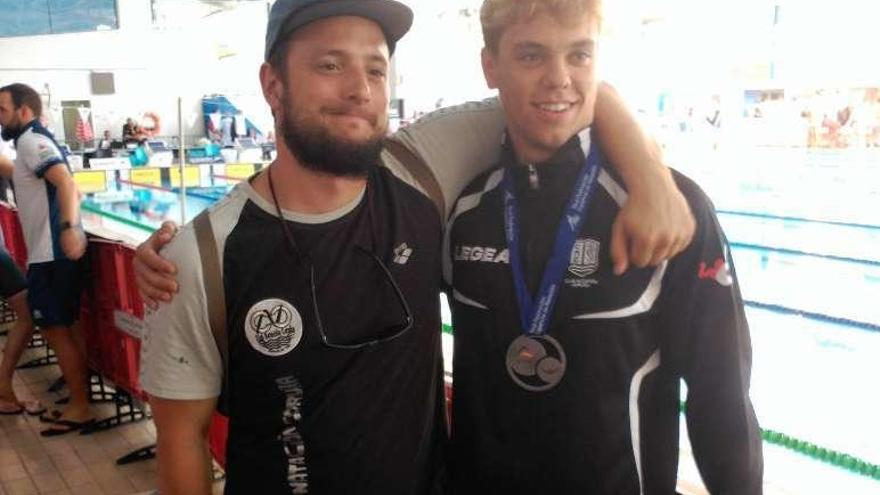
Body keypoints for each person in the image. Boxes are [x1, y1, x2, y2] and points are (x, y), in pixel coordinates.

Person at [134, 0, 695, 493]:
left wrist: (651, 178)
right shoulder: (201, 257)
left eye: (375, 69)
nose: (359, 89)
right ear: (273, 84)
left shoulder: (421, 172)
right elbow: (182, 439)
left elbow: (566, 92)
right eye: (330, 65)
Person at [444, 1, 763, 493]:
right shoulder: (463, 214)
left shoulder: (671, 209)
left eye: (579, 55)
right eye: (531, 56)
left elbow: (720, 396)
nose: (559, 78)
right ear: (490, 66)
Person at [0, 83, 91, 436]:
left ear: (24, 111)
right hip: (49, 252)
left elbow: (68, 185)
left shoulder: (30, 142)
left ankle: (81, 406)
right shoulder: (31, 142)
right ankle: (78, 401)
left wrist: (69, 228)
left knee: (56, 329)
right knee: (67, 327)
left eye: (3, 110)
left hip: (50, 254)